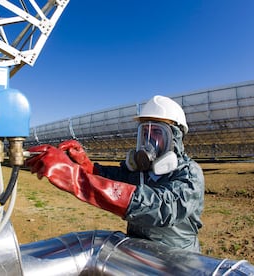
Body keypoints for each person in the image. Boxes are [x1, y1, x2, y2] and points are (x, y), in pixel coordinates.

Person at [25, 95, 205, 252]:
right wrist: (85, 166)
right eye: (144, 132)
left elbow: (163, 207)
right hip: (140, 254)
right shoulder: (141, 171)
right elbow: (113, 178)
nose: (148, 139)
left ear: (175, 137)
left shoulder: (190, 174)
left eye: (156, 132)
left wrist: (75, 178)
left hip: (177, 260)